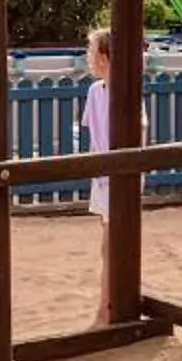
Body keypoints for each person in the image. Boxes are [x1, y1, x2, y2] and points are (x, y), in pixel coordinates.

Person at [83, 25, 115, 322]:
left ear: (104, 57)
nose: (87, 58)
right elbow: (94, 134)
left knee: (111, 245)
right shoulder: (95, 92)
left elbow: (139, 129)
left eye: (91, 52)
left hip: (118, 175)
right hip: (102, 176)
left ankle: (105, 310)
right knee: (107, 245)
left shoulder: (125, 92)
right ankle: (107, 306)